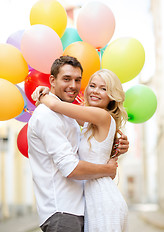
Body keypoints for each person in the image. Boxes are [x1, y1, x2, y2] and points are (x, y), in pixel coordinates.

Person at [28, 56, 129, 232]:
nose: (73, 85)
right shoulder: (74, 118)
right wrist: (107, 169)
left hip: (97, 201)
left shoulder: (95, 116)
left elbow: (55, 104)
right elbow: (71, 167)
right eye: (92, 85)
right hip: (66, 209)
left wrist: (46, 96)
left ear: (111, 95)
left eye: (104, 88)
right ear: (53, 80)